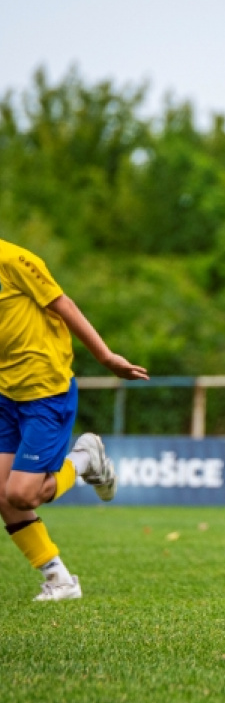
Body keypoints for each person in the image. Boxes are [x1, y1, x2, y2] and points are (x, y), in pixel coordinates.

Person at [0, 237, 148, 601]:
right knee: (2, 494)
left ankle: (83, 460)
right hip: (6, 393)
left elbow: (63, 303)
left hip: (45, 391)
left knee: (20, 494)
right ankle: (59, 580)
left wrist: (106, 356)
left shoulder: (15, 258)